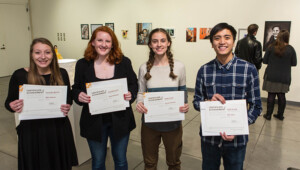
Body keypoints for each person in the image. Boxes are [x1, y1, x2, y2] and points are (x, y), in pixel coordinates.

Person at [193, 23, 262, 170]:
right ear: (212, 44)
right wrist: (207, 103)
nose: (222, 42)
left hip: (237, 140)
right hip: (210, 139)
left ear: (234, 41)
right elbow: (196, 101)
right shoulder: (204, 70)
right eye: (217, 38)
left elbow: (256, 106)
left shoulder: (249, 70)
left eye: (227, 37)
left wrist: (239, 127)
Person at [5, 38, 78, 170]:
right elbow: (8, 102)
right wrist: (12, 105)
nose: (43, 57)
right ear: (32, 55)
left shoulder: (62, 73)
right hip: (32, 132)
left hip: (57, 130)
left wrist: (67, 105)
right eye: (38, 52)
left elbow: (68, 99)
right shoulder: (20, 75)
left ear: (53, 55)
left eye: (47, 52)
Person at [72, 26, 138, 170]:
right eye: (100, 40)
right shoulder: (83, 64)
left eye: (108, 41)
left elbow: (133, 84)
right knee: (98, 162)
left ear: (113, 44)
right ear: (93, 42)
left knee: (120, 160)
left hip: (120, 119)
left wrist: (131, 94)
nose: (103, 44)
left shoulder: (124, 62)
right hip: (94, 122)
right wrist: (79, 95)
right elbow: (76, 88)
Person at [136, 28, 189, 170]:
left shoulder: (179, 66)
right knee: (150, 163)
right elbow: (141, 93)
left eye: (162, 40)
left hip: (173, 125)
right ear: (150, 45)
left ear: (168, 43)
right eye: (155, 41)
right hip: (150, 125)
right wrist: (139, 103)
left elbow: (183, 92)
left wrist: (185, 105)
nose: (159, 44)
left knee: (174, 163)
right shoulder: (143, 68)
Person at [262, 30, 297, 121]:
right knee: (282, 96)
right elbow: (294, 63)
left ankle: (268, 115)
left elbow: (265, 61)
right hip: (284, 76)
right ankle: (280, 115)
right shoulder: (291, 49)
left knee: (271, 95)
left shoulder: (271, 47)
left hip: (271, 75)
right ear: (287, 37)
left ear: (278, 37)